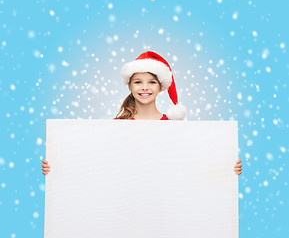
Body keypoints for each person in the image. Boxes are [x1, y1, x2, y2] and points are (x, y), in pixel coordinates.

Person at [42, 51, 242, 175]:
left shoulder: (174, 128)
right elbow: (97, 162)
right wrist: (59, 167)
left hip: (163, 205)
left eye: (151, 82)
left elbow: (191, 164)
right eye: (138, 82)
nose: (144, 88)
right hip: (127, 204)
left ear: (161, 87)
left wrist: (225, 168)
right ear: (129, 85)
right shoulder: (117, 126)